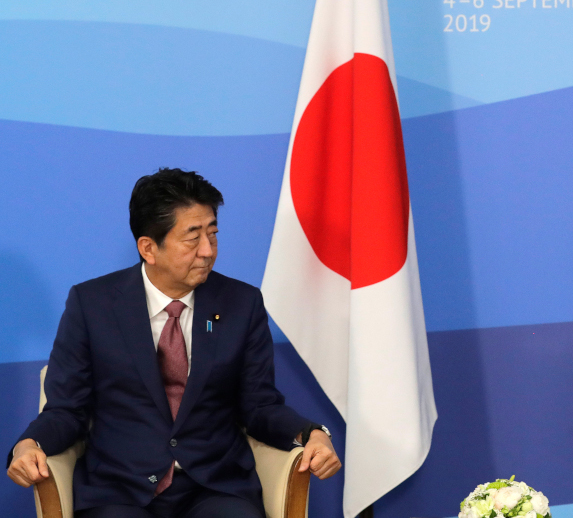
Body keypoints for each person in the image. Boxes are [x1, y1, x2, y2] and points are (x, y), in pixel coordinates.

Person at [6, 168, 341, 518]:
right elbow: (67, 409)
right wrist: (29, 444)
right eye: (192, 238)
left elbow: (259, 406)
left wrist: (311, 433)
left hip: (213, 485)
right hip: (120, 488)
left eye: (213, 234)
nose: (208, 250)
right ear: (148, 248)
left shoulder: (241, 303)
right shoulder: (92, 305)